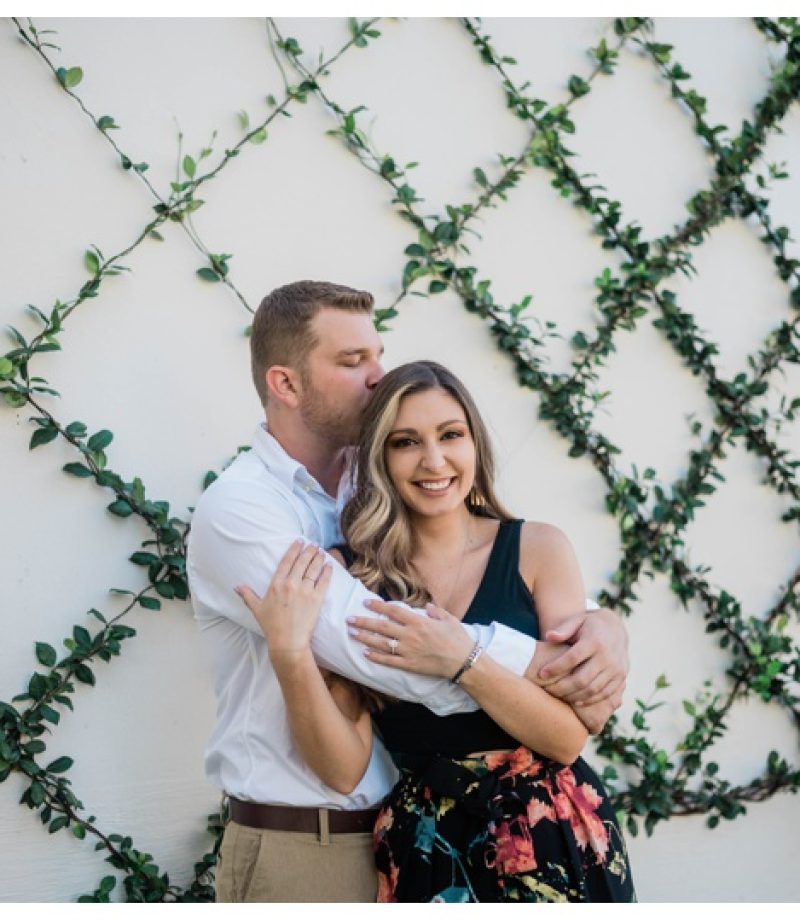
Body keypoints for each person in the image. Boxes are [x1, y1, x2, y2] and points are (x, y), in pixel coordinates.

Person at [187, 281, 629, 902]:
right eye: (352, 361)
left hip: (535, 838)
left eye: (377, 354)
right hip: (332, 842)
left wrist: (602, 628)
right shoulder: (250, 512)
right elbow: (380, 652)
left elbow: (559, 700)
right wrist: (546, 667)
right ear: (286, 384)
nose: (378, 375)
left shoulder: (355, 500)